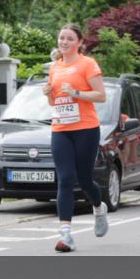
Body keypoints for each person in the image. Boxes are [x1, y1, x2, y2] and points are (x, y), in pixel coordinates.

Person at [42, 24, 108, 253]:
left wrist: (77, 93)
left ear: (80, 43)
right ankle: (66, 235)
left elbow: (101, 96)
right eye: (61, 38)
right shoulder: (54, 67)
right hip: (60, 128)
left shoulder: (87, 64)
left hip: (86, 128)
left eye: (70, 39)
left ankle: (99, 208)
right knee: (65, 179)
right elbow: (54, 102)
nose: (64, 42)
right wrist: (50, 93)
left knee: (85, 178)